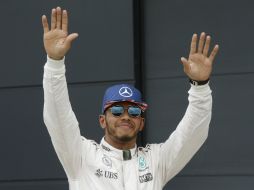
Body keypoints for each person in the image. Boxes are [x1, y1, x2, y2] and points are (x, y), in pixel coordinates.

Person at [42, 7, 219, 190]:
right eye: (117, 111)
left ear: (141, 123)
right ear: (102, 120)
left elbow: (192, 133)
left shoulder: (156, 161)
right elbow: (58, 115)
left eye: (134, 111)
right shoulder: (80, 155)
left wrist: (200, 86)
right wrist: (55, 63)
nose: (125, 116)